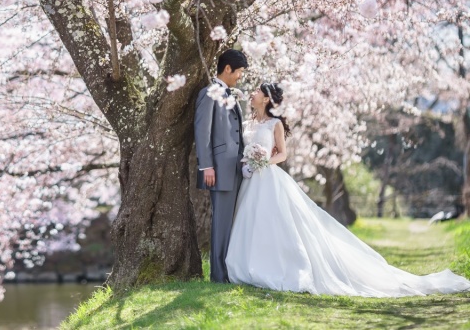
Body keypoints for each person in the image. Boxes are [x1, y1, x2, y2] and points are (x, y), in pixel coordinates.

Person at [225, 83, 470, 296]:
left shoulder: (275, 124)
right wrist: (247, 162)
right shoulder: (247, 123)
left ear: (266, 98)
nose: (252, 93)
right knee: (250, 221)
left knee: (272, 222)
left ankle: (275, 267)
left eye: (257, 91)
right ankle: (246, 264)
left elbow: (283, 154)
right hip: (248, 180)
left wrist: (261, 161)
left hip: (267, 178)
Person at [194, 48, 248, 283]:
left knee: (234, 221)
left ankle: (231, 270)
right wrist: (206, 166)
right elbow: (202, 131)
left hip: (235, 167)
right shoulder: (209, 94)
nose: (240, 77)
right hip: (219, 169)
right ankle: (218, 275)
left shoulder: (230, 94)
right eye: (239, 72)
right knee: (221, 223)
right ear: (227, 69)